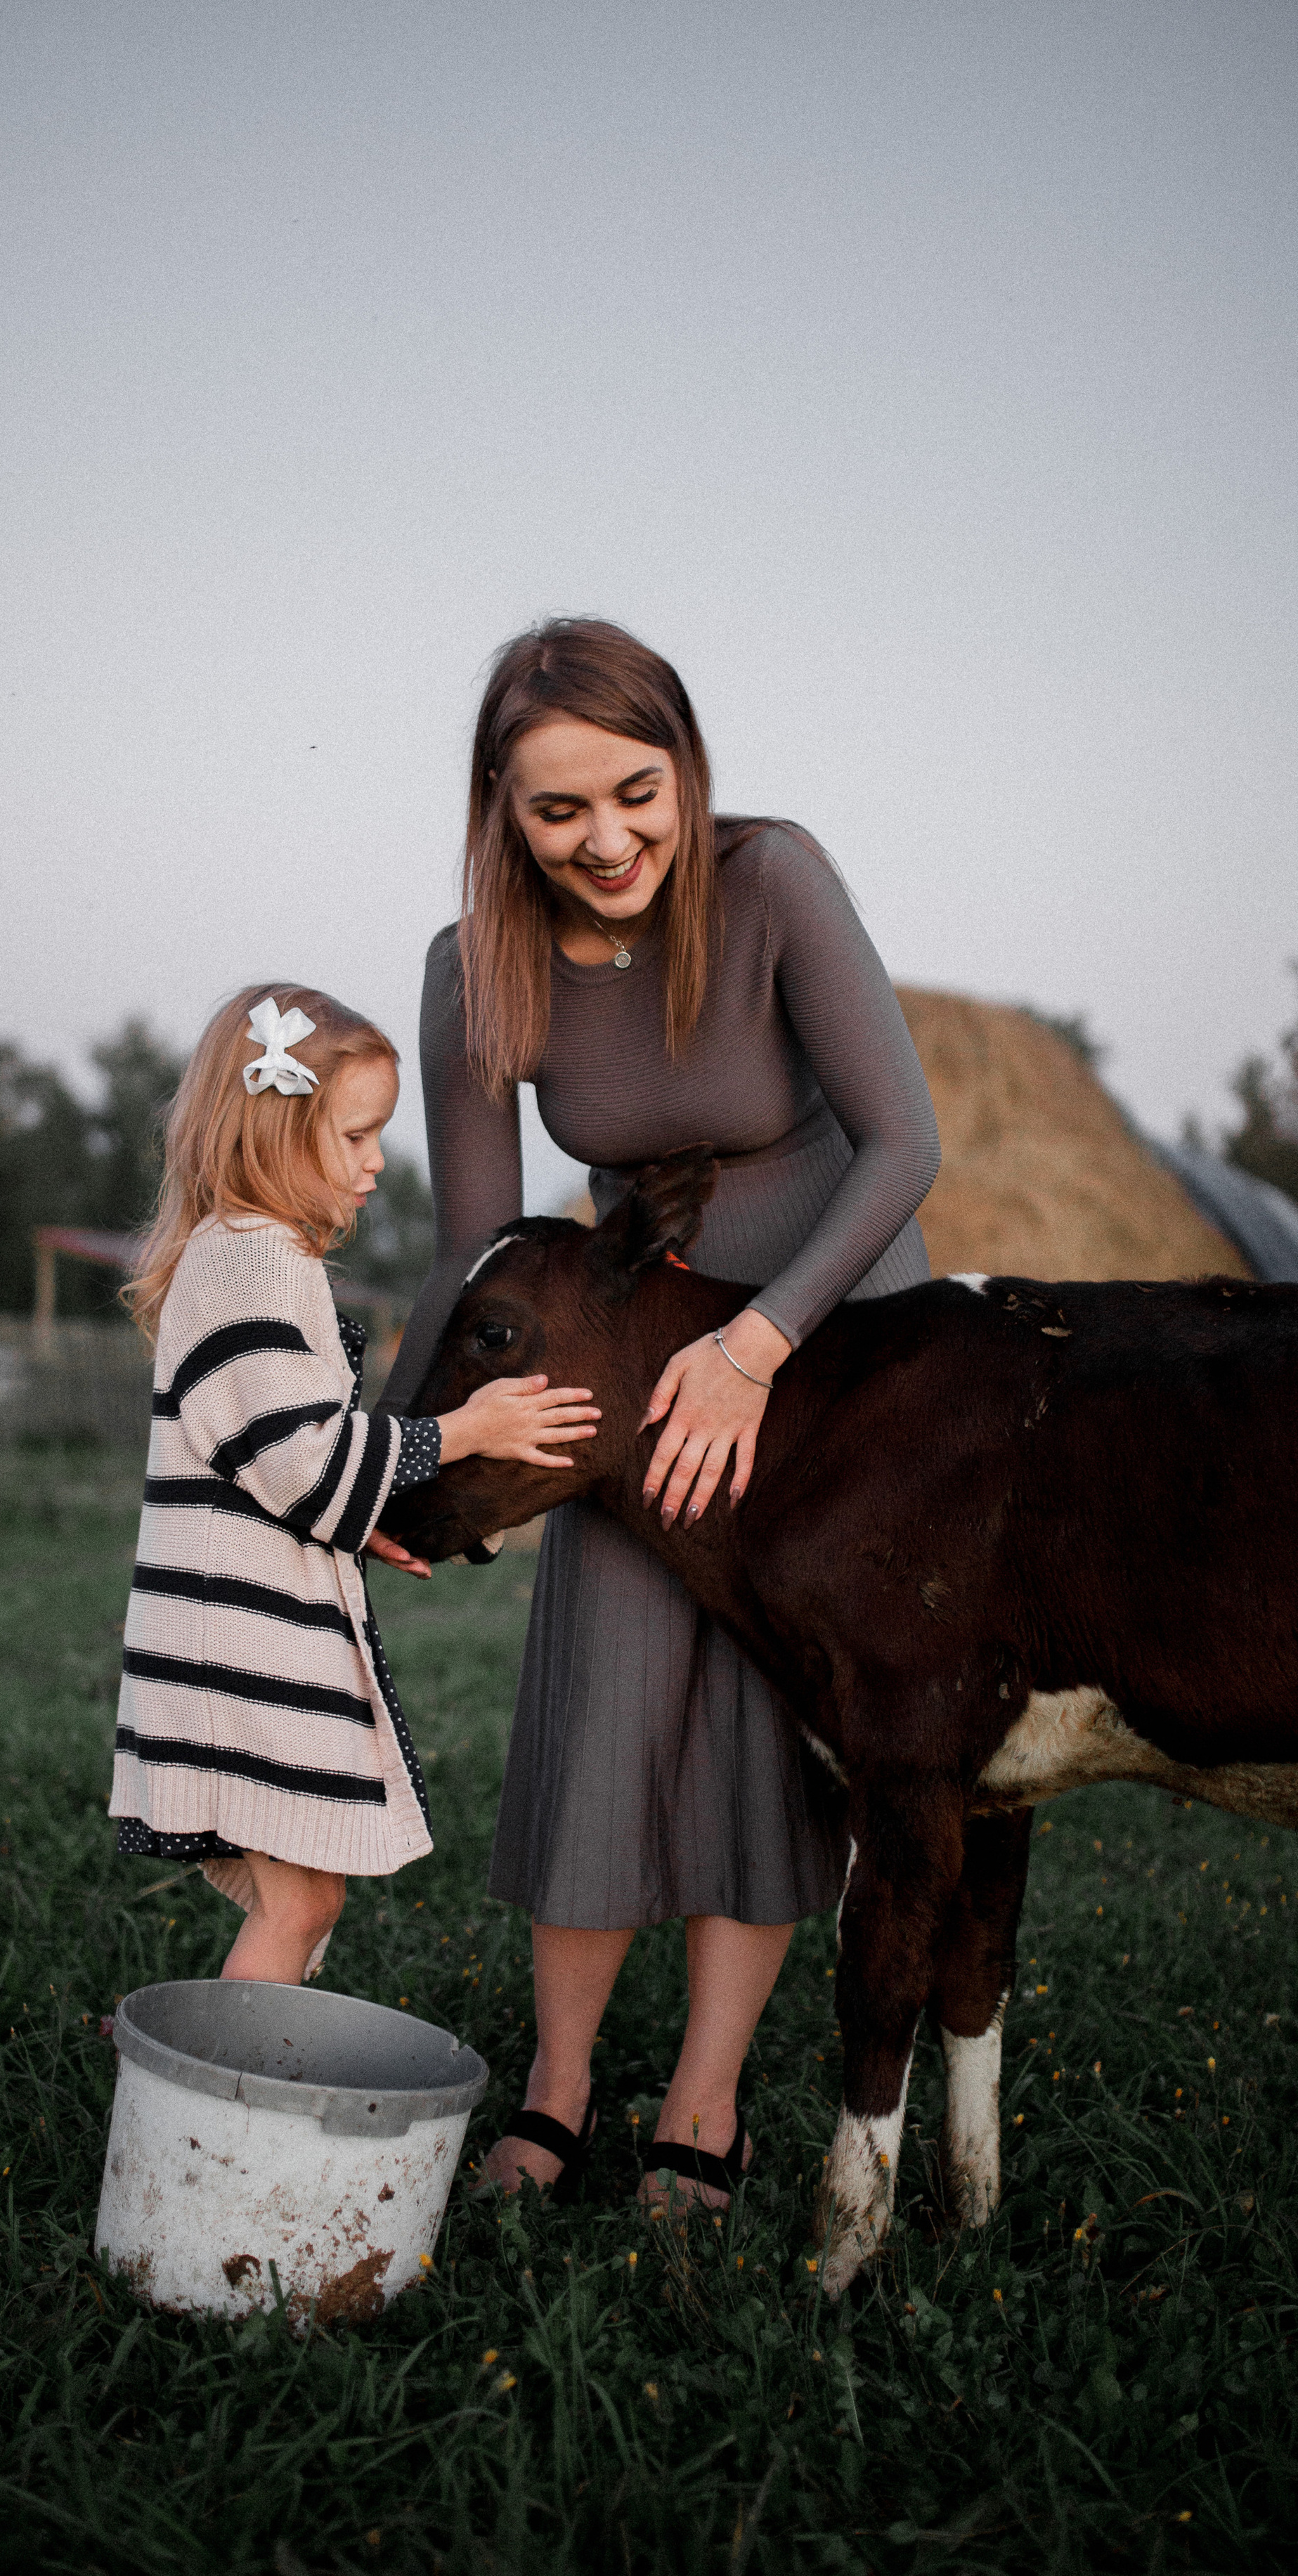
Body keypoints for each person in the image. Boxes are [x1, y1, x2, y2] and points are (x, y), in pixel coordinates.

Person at [377, 621, 940, 2207]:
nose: (608, 840)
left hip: (825, 1329)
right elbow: (474, 1248)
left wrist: (758, 1347)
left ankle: (705, 2104)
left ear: (685, 768)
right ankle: (556, 2092)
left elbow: (903, 1144)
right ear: (501, 808)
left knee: (764, 1716)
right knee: (604, 1689)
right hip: (628, 1338)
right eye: (558, 810)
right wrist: (405, 1453)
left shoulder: (775, 880)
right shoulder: (472, 969)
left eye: (638, 792)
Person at [110, 980, 599, 1985]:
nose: (377, 1161)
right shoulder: (254, 1265)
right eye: (355, 1136)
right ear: (276, 1135)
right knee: (299, 1902)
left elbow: (271, 1457)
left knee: (305, 1898)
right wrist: (464, 1430)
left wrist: (351, 1518)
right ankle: (221, 2079)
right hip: (239, 1646)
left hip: (232, 1632)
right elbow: (303, 1460)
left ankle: (238, 2058)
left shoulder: (244, 1257)